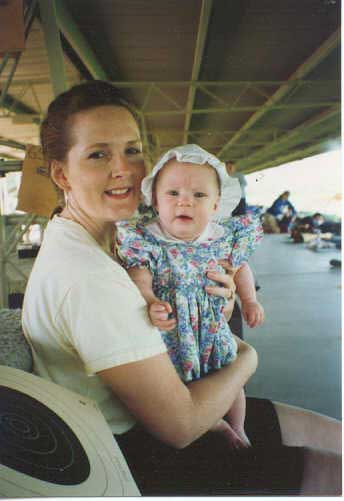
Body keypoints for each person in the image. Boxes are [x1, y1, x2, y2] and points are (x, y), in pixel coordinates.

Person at [21, 81, 341, 496]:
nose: (124, 169)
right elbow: (181, 426)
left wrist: (216, 303)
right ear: (62, 173)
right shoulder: (89, 276)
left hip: (166, 395)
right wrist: (246, 356)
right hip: (136, 453)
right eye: (99, 154)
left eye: (132, 150)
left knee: (337, 436)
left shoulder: (110, 239)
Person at [116, 144, 265, 448]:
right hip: (173, 333)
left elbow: (240, 269)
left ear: (215, 205)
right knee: (178, 386)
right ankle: (217, 426)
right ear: (155, 201)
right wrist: (150, 300)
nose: (185, 201)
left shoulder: (222, 237)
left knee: (230, 379)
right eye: (173, 194)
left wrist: (249, 300)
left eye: (199, 195)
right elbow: (139, 275)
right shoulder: (147, 241)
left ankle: (239, 426)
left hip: (212, 329)